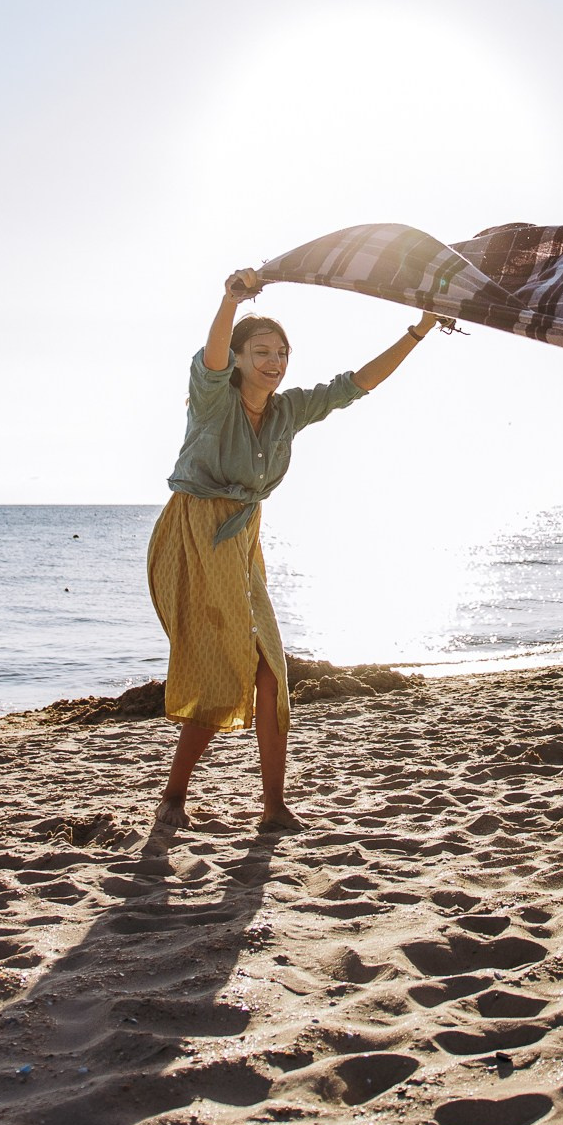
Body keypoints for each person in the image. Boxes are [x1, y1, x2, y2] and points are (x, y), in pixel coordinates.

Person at [149, 268, 441, 833]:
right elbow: (210, 357)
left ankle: (272, 805)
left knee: (270, 672)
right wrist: (230, 302)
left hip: (243, 540)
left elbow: (357, 384)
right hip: (195, 533)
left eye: (282, 353)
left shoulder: (287, 410)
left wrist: (420, 329)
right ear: (239, 359)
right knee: (223, 668)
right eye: (261, 352)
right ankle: (175, 797)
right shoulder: (212, 399)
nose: (274, 362)